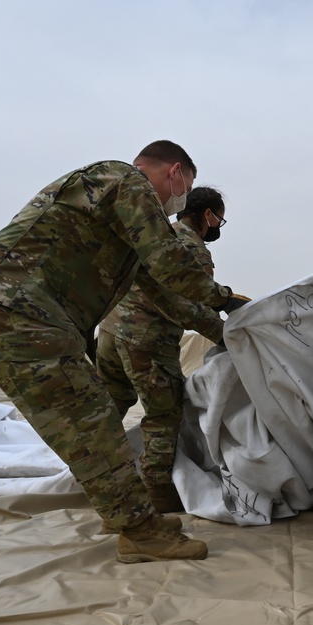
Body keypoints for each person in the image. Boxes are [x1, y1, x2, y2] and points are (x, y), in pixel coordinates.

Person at [0, 141, 248, 564]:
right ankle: (139, 532)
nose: (182, 198)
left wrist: (223, 328)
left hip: (29, 312)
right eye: (185, 185)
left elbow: (163, 292)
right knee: (93, 424)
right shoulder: (126, 183)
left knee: (94, 419)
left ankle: (130, 516)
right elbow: (170, 265)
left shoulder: (121, 216)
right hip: (21, 311)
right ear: (174, 173)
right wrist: (226, 300)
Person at [96, 186, 233, 517]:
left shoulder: (160, 234)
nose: (217, 226)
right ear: (207, 215)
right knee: (164, 414)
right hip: (147, 340)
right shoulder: (191, 248)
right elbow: (189, 306)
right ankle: (158, 491)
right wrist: (229, 335)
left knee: (108, 410)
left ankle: (100, 479)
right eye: (220, 219)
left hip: (111, 333)